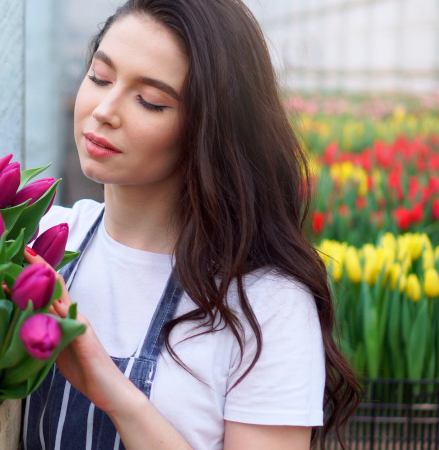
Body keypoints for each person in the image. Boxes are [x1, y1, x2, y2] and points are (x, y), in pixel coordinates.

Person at [20, 0, 362, 449]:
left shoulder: (263, 302)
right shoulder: (41, 240)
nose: (105, 109)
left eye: (150, 101)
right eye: (100, 77)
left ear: (210, 127)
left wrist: (116, 395)